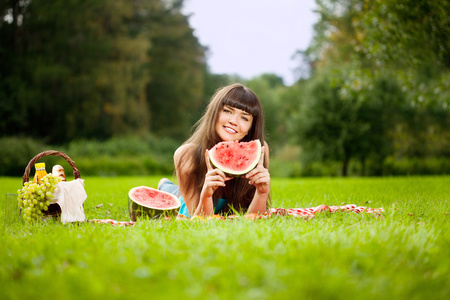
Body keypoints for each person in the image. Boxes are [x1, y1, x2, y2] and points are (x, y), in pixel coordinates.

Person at [158, 83, 270, 218]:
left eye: (244, 118)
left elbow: (254, 217)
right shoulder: (186, 155)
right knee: (171, 194)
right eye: (227, 111)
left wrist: (262, 193)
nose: (233, 121)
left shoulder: (260, 150)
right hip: (191, 206)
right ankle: (164, 185)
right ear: (214, 113)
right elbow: (199, 221)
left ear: (250, 128)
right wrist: (206, 194)